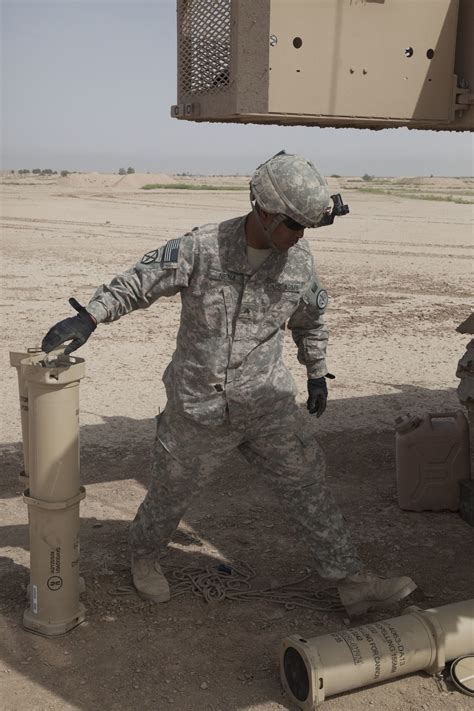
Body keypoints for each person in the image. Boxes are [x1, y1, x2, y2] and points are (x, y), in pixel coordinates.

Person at [42, 151, 416, 616]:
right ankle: (144, 557)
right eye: (293, 225)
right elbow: (140, 282)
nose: (298, 237)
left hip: (267, 405)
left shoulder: (298, 263)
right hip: (198, 407)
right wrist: (90, 317)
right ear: (263, 211)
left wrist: (316, 371)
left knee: (308, 486)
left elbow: (311, 320)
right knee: (169, 491)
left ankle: (350, 581)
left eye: (305, 228)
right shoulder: (202, 247)